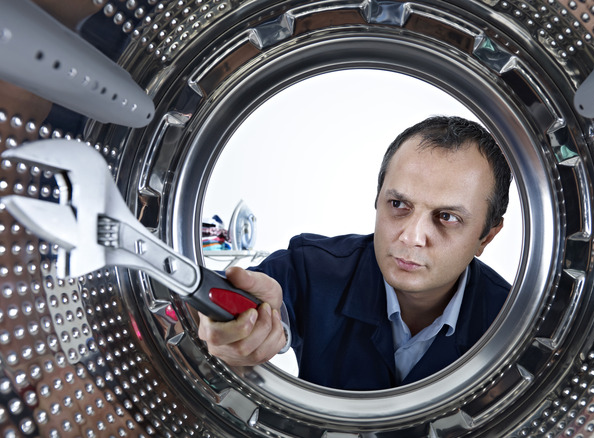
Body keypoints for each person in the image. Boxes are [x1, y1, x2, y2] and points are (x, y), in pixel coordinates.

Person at [197, 116, 512, 390]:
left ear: (486, 236)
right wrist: (235, 322)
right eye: (399, 205)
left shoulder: (514, 324)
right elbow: (250, 304)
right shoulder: (309, 268)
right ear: (377, 200)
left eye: (447, 217)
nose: (412, 237)